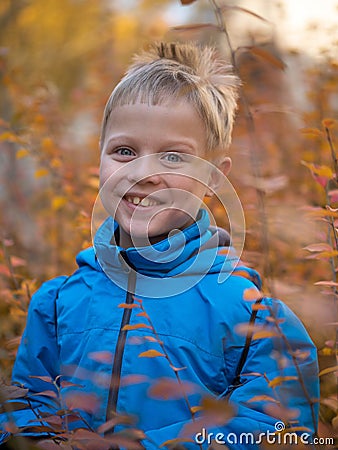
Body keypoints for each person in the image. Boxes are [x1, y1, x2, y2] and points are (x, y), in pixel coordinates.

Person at [0, 42, 318, 449]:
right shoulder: (57, 305)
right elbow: (27, 405)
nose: (143, 173)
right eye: (125, 151)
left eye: (172, 157)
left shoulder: (252, 316)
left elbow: (273, 428)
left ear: (215, 180)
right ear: (99, 160)